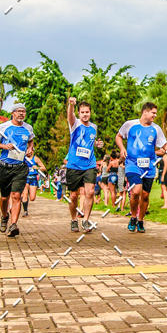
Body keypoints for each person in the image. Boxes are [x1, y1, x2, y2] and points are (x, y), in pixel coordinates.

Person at [116, 102, 167, 233]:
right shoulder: (130, 125)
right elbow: (119, 136)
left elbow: (165, 146)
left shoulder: (156, 129)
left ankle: (140, 220)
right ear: (145, 112)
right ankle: (133, 217)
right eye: (153, 113)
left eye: (156, 113)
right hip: (132, 164)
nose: (155, 115)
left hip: (149, 166)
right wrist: (122, 148)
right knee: (135, 191)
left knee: (145, 196)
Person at [0, 102, 34, 238]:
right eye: (18, 111)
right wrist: (4, 146)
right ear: (13, 113)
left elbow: (31, 141)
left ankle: (13, 224)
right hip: (5, 167)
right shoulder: (4, 127)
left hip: (20, 167)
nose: (21, 113)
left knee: (16, 195)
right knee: (4, 197)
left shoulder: (28, 128)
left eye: (23, 111)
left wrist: (30, 149)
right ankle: (4, 216)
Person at [66, 98, 101, 233]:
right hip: (74, 165)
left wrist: (97, 144)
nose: (85, 114)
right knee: (73, 196)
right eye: (82, 112)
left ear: (90, 113)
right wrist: (71, 105)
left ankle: (86, 220)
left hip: (90, 164)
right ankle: (74, 219)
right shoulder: (75, 124)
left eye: (87, 112)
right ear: (79, 113)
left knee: (90, 192)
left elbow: (90, 142)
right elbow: (70, 115)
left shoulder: (94, 127)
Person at [21, 146, 46, 216]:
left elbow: (44, 168)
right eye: (27, 150)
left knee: (32, 198)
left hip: (33, 179)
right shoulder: (23, 158)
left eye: (30, 150)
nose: (28, 152)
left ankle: (24, 197)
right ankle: (25, 211)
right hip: (25, 178)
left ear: (32, 151)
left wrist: (37, 168)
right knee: (25, 194)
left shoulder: (35, 158)